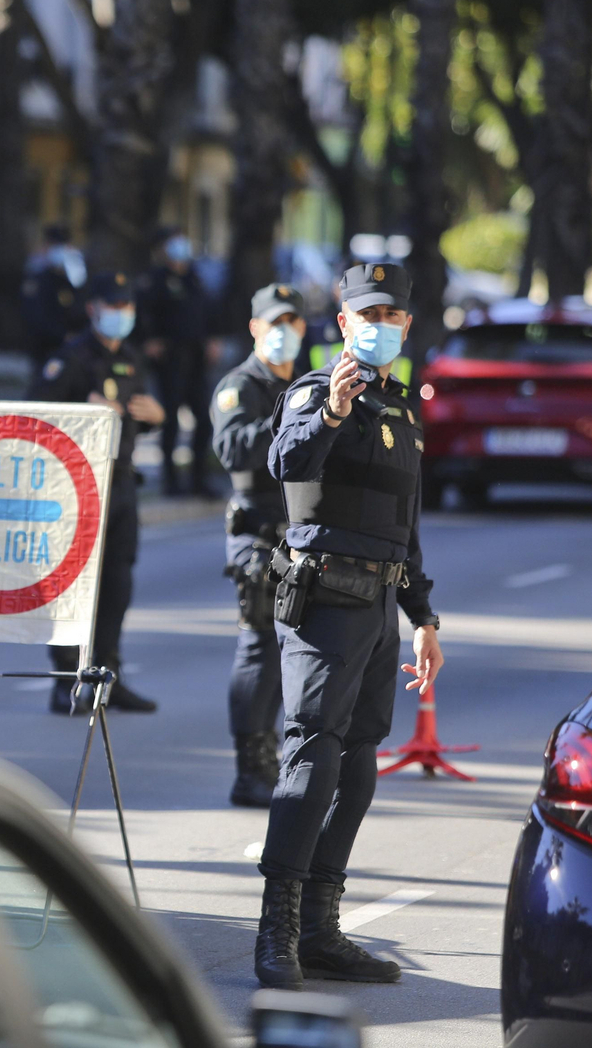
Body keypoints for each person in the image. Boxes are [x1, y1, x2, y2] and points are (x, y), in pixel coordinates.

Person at [253, 262, 443, 989]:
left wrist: (424, 616)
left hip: (382, 606)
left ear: (406, 325)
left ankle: (321, 929)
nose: (382, 326)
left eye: (393, 316)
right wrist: (329, 412)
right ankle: (278, 930)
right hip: (325, 601)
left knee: (358, 767)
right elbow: (286, 459)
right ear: (343, 325)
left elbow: (408, 525)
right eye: (370, 315)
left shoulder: (399, 409)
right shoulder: (313, 392)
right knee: (312, 758)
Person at [27, 271, 166, 715]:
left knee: (116, 586)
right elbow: (36, 412)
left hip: (121, 481)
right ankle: (65, 678)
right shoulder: (69, 358)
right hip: (77, 485)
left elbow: (138, 410)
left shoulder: (130, 357)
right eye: (113, 306)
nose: (121, 315)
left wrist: (156, 416)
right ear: (93, 310)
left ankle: (108, 677)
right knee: (72, 584)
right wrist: (79, 411)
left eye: (127, 307)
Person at [211, 283, 305, 807]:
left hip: (304, 535)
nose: (283, 332)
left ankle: (277, 751)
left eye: (291, 322)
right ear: (255, 328)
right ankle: (250, 765)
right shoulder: (240, 385)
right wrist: (294, 428)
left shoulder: (311, 381)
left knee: (298, 653)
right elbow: (232, 447)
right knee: (260, 647)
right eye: (273, 323)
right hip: (258, 535)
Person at [137, 226, 214, 495]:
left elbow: (207, 311)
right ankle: (171, 481)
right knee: (170, 419)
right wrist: (150, 340)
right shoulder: (155, 280)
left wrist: (212, 339)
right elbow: (144, 314)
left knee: (203, 418)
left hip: (196, 357)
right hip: (170, 358)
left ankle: (198, 479)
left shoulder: (194, 277)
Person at [22, 222, 90, 369]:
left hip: (73, 347)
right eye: (55, 245)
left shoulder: (76, 278)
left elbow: (82, 309)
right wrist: (61, 335)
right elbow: (35, 315)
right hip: (45, 348)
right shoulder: (38, 279)